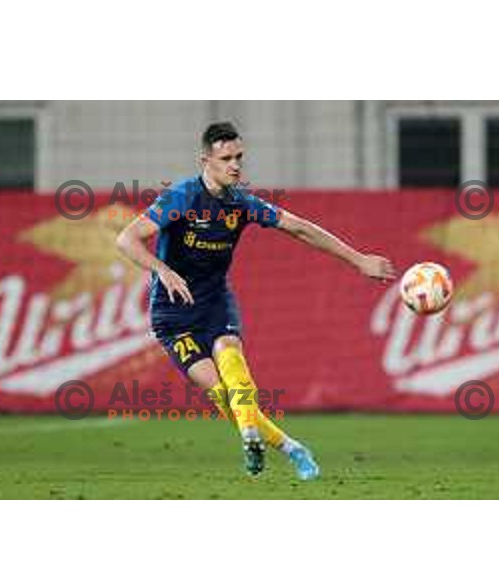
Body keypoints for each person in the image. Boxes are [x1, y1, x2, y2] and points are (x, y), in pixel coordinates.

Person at [116, 121, 396, 480]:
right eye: (227, 158)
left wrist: (359, 260)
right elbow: (126, 239)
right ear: (206, 160)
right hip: (173, 315)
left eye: (239, 157)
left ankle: (250, 436)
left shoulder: (242, 203)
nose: (235, 165)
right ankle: (291, 447)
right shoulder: (182, 196)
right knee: (221, 393)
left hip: (216, 301)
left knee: (230, 351)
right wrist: (163, 271)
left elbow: (300, 227)